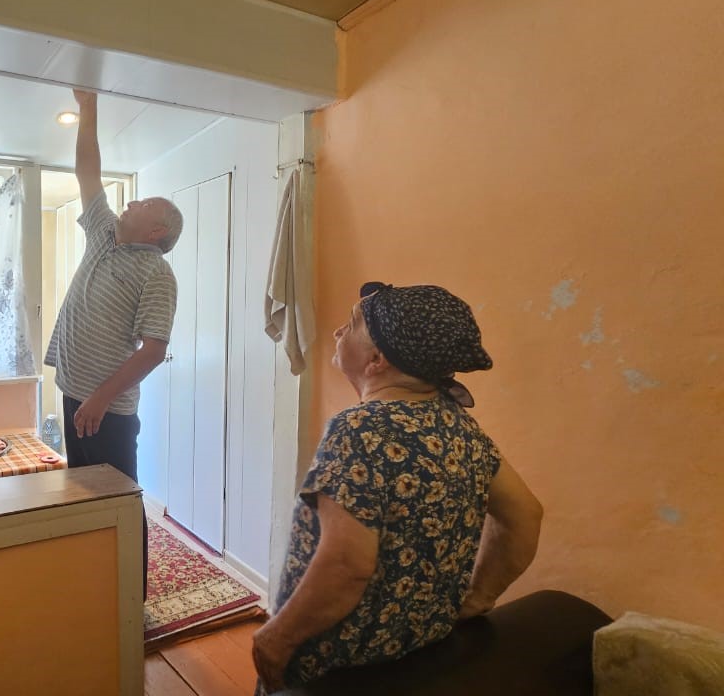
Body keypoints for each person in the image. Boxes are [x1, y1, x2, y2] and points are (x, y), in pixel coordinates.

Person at [252, 282, 544, 693]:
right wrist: (478, 598)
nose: (338, 331)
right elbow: (526, 515)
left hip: (336, 668)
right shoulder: (458, 425)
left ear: (377, 359)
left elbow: (346, 565)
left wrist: (275, 639)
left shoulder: (357, 430)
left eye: (352, 323)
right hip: (421, 652)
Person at [44, 89, 183, 588]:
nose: (132, 202)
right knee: (83, 493)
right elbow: (88, 171)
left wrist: (101, 398)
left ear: (158, 230)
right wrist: (89, 109)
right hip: (75, 391)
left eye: (143, 203)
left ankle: (129, 594)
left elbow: (154, 350)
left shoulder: (157, 274)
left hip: (108, 408)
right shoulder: (105, 233)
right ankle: (91, 584)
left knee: (119, 500)